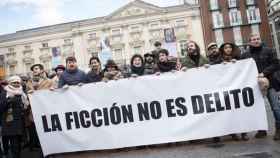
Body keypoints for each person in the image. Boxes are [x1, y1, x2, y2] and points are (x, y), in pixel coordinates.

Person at [241, 34, 280, 140]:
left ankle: (279, 129)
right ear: (249, 42)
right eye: (253, 39)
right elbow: (240, 68)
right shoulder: (245, 55)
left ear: (260, 40)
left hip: (270, 83)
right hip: (254, 86)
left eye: (258, 39)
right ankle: (261, 130)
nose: (256, 41)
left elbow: (276, 64)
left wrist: (264, 73)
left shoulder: (269, 51)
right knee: (257, 108)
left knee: (276, 107)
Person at [26, 63, 53, 151]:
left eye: (36, 68)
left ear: (41, 70)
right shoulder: (29, 82)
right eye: (33, 69)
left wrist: (52, 91)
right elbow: (27, 96)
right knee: (36, 130)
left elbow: (53, 95)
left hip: (46, 110)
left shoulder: (49, 81)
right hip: (34, 111)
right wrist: (29, 93)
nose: (34, 70)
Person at [1, 76, 29, 158]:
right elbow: (1, 106)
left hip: (20, 122)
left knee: (19, 143)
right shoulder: (5, 92)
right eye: (14, 82)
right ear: (10, 83)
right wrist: (9, 100)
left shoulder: (22, 93)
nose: (16, 84)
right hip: (9, 122)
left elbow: (26, 106)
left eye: (18, 82)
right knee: (14, 145)